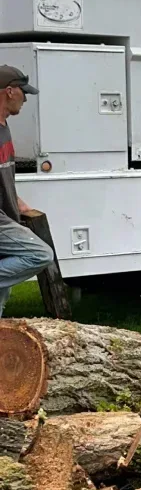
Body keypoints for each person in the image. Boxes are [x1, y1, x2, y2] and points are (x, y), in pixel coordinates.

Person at [0, 65, 53, 317]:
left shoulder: (4, 126)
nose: (26, 98)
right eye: (23, 92)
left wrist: (17, 201)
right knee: (39, 254)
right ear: (9, 92)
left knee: (2, 295)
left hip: (8, 213)